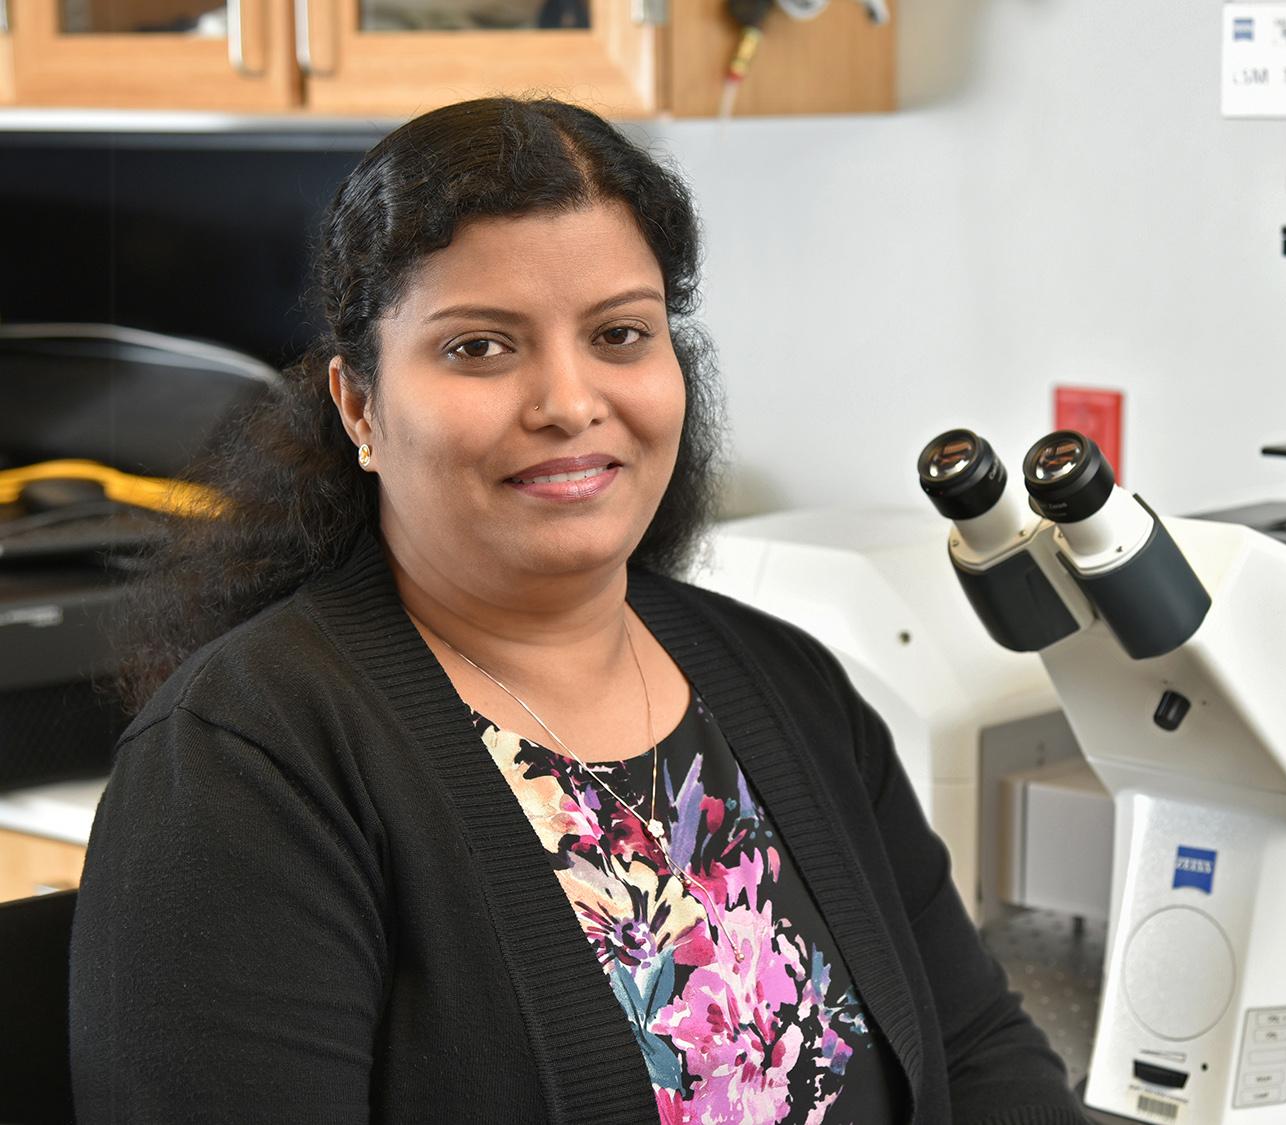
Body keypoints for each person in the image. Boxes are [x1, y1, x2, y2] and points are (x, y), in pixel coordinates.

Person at [69, 97, 1088, 1124]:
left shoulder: (790, 686)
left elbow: (980, 1055)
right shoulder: (245, 762)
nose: (568, 400)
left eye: (618, 334)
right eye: (479, 348)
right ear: (361, 407)